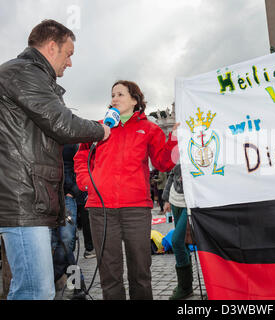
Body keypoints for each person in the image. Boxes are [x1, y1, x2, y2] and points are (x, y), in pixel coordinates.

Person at [0, 19, 110, 300]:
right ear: (51, 46)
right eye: (69, 53)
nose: (70, 62)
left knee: (34, 288)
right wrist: (103, 129)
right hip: (23, 197)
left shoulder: (25, 75)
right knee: (35, 291)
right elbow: (62, 124)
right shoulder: (24, 72)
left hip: (29, 195)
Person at [74, 80, 179, 300]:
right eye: (112, 95)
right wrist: (87, 182)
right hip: (100, 209)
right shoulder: (98, 127)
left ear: (134, 99)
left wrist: (174, 142)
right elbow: (81, 158)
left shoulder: (149, 128)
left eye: (120, 94)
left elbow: (163, 163)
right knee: (109, 273)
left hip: (136, 208)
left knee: (140, 271)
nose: (114, 99)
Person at [51, 144, 86, 300]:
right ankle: (78, 285)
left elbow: (83, 166)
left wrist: (74, 191)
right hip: (47, 199)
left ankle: (52, 277)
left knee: (67, 242)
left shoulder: (71, 141)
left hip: (67, 198)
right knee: (57, 244)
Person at [162, 163, 193, 300]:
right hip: (175, 201)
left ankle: (185, 287)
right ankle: (186, 285)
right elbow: (172, 175)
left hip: (190, 202)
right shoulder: (178, 149)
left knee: (176, 241)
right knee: (183, 243)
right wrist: (167, 200)